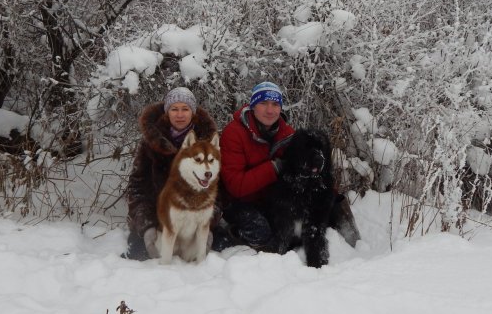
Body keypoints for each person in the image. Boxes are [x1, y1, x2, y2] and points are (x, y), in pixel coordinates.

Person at [219, 81, 360, 251]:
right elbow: (235, 186)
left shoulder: (287, 134)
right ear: (253, 105)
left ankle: (356, 246)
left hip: (271, 198)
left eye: (275, 104)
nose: (270, 110)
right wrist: (274, 168)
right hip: (240, 201)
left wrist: (328, 191)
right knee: (263, 234)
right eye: (263, 103)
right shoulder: (234, 133)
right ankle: (232, 235)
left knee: (330, 200)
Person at [123, 87, 219, 260]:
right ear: (167, 112)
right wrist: (147, 226)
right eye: (174, 109)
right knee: (138, 257)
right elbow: (137, 187)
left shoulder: (208, 143)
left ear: (193, 112)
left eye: (185, 109)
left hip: (195, 219)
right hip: (157, 217)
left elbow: (219, 188)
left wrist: (208, 224)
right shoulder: (151, 143)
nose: (180, 115)